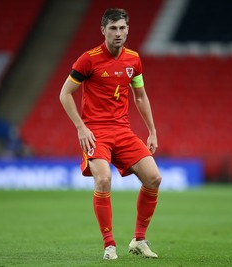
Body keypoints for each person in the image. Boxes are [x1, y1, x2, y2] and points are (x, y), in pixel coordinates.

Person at [59, 8, 162, 260]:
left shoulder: (134, 60)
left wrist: (152, 130)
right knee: (103, 180)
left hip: (123, 131)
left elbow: (140, 96)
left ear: (128, 29)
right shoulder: (88, 59)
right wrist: (81, 127)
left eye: (122, 28)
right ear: (103, 30)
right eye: (113, 28)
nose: (118, 33)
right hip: (96, 133)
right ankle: (109, 245)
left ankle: (138, 240)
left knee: (154, 178)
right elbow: (65, 94)